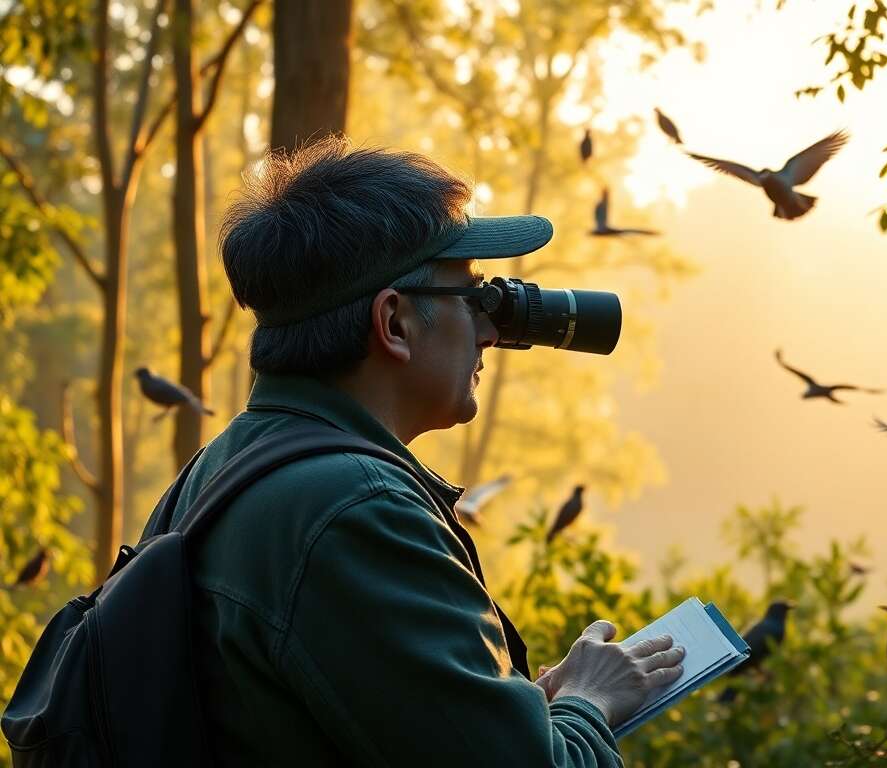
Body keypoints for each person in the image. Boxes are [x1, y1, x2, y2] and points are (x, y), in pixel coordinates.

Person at [144, 137, 684, 765]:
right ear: (394, 323)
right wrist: (589, 701)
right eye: (475, 300)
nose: (490, 331)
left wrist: (505, 709)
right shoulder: (355, 514)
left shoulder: (220, 469)